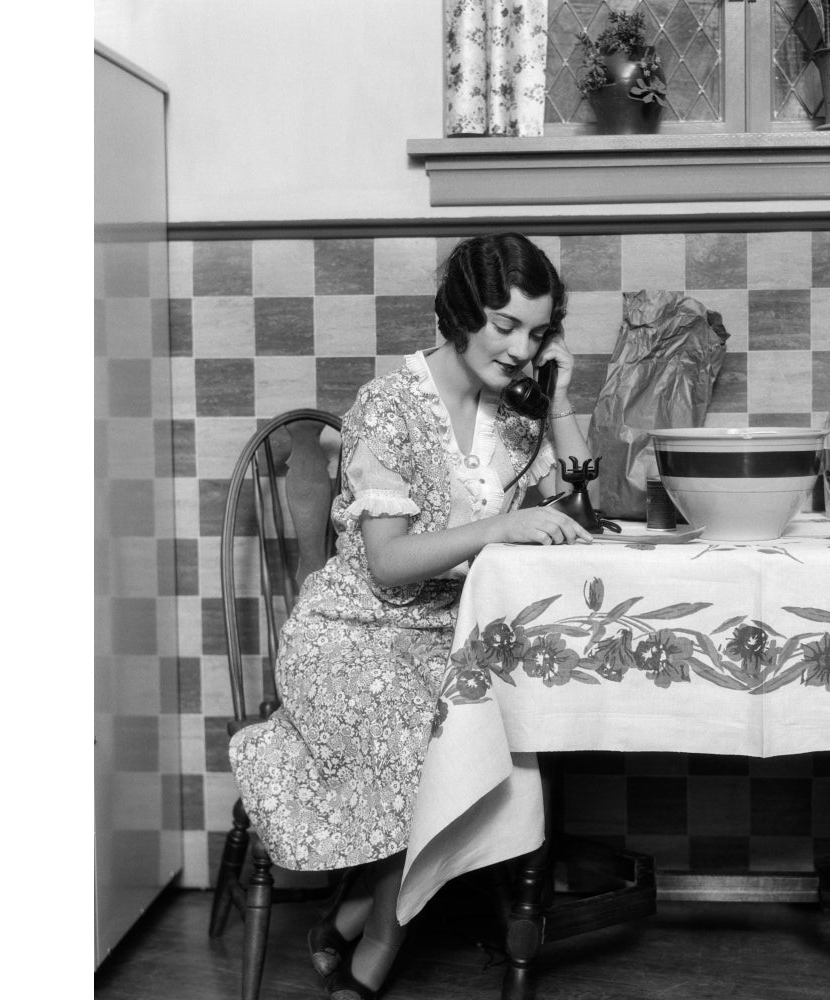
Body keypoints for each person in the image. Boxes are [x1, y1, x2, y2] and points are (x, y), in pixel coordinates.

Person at [229, 232, 594, 1000]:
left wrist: (558, 402)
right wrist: (499, 526)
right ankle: (380, 945)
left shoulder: (516, 419)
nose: (522, 348)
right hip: (351, 632)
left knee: (492, 725)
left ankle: (353, 911)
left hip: (447, 633)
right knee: (429, 740)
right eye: (505, 325)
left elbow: (576, 499)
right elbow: (390, 562)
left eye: (536, 331)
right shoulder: (387, 407)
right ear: (461, 310)